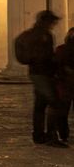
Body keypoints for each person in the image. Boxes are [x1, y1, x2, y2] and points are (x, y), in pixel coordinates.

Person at [15, 10, 63, 146]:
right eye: (51, 22)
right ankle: (50, 135)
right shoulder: (39, 35)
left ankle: (39, 134)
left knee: (41, 105)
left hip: (42, 72)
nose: (53, 25)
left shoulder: (43, 35)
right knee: (53, 102)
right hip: (40, 73)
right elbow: (44, 55)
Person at [52, 27, 74, 146]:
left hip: (64, 84)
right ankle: (63, 133)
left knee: (63, 112)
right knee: (62, 111)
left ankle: (63, 134)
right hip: (65, 84)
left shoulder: (61, 49)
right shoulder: (61, 50)